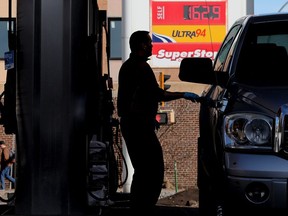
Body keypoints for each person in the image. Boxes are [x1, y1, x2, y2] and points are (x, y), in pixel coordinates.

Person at [117, 30, 200, 214]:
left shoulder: (128, 67)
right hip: (138, 126)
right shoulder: (140, 68)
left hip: (134, 125)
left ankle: (140, 205)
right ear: (141, 46)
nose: (152, 46)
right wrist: (183, 94)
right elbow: (157, 93)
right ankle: (143, 206)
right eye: (149, 43)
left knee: (143, 167)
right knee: (152, 167)